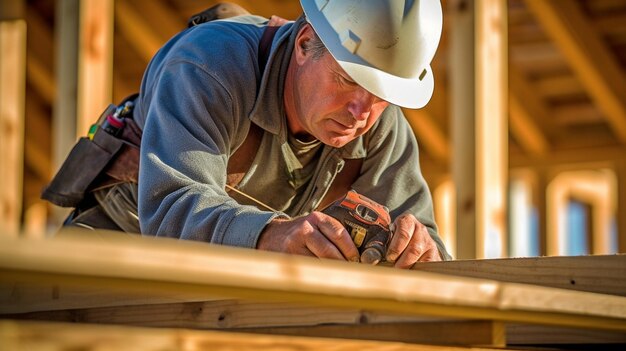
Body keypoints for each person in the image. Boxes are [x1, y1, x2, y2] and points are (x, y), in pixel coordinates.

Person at [54, 0, 451, 266]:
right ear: (305, 42)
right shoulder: (209, 67)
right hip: (113, 256)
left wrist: (418, 249)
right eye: (347, 81)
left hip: (227, 285)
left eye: (382, 95)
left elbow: (432, 245)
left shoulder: (381, 126)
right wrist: (273, 234)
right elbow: (169, 208)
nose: (361, 113)